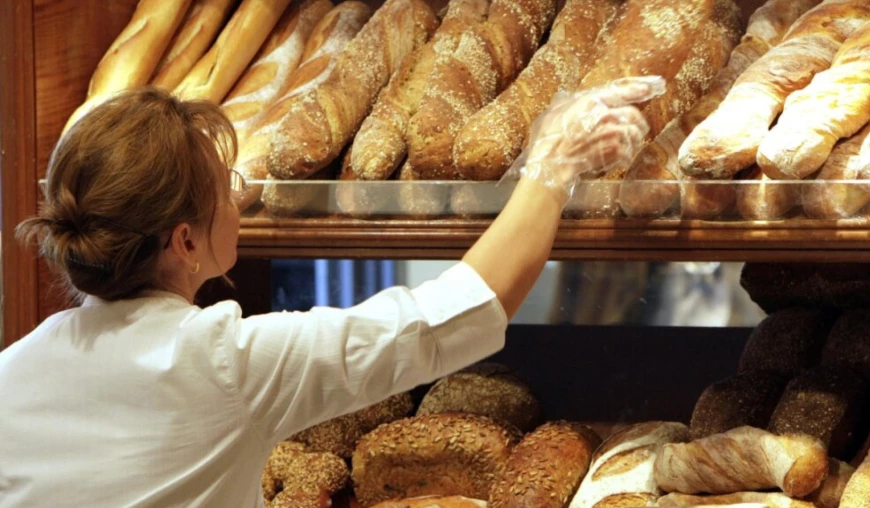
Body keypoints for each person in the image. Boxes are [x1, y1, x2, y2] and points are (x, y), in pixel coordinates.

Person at [0, 78, 659, 506]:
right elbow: (459, 310)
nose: (243, 197)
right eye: (225, 189)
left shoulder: (13, 373)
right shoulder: (225, 364)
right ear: (185, 243)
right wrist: (556, 161)